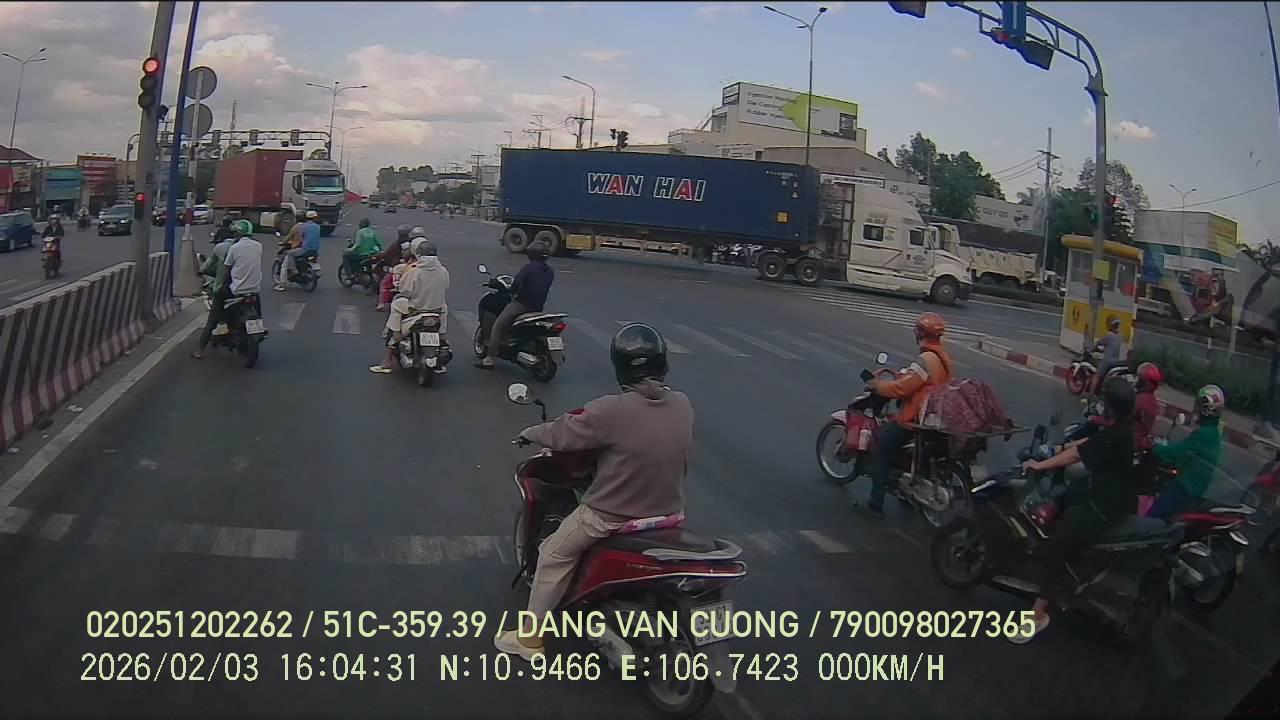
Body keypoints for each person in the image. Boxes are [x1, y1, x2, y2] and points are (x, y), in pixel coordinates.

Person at [493, 324, 693, 661]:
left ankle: (528, 639)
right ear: (663, 363)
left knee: (553, 554)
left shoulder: (611, 410)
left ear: (620, 367)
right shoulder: (683, 404)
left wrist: (531, 432)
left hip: (612, 516)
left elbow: (564, 433)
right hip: (668, 513)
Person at [1011, 376, 1138, 644]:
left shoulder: (1113, 436)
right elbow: (1085, 445)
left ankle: (1037, 614)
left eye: (1104, 402)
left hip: (1104, 508)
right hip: (1114, 501)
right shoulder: (1120, 432)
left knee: (1058, 545)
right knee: (1070, 495)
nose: (1100, 405)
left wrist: (1038, 465)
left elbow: (1075, 456)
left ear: (1110, 407)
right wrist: (1060, 446)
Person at [861, 312, 954, 518]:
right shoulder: (942, 357)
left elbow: (902, 388)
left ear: (919, 333)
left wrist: (878, 385)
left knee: (879, 447)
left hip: (914, 419)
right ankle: (906, 493)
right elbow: (919, 380)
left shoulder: (925, 359)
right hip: (935, 416)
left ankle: (875, 504)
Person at [370, 236, 451, 375]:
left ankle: (394, 339)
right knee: (444, 308)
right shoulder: (443, 270)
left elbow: (405, 290)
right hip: (436, 309)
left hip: (416, 308)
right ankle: (442, 337)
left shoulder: (414, 271)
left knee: (396, 304)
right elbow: (446, 286)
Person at [1147, 384, 1225, 520]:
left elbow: (1179, 451)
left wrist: (1156, 448)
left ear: (1206, 409)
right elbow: (1189, 452)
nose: (1195, 408)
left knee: (1153, 516)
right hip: (1195, 486)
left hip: (1186, 486)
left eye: (1198, 405)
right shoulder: (1213, 432)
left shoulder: (1204, 434)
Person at [476, 241, 555, 370]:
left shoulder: (529, 268)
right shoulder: (550, 271)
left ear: (531, 254)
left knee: (498, 326)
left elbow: (517, 283)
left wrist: (512, 293)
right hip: (538, 307)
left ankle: (489, 359)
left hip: (522, 305)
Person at [192, 220, 263, 359]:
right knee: (257, 309)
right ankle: (259, 324)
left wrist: (221, 283)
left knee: (213, 316)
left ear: (236, 234)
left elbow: (225, 269)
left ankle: (199, 350)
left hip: (236, 289)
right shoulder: (258, 246)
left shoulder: (232, 248)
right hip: (254, 289)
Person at [275, 210, 321, 290]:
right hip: (315, 250)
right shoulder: (318, 227)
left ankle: (293, 271)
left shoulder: (301, 227)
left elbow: (299, 239)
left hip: (305, 249)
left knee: (289, 254)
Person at [373, 225, 412, 311]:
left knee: (384, 284)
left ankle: (381, 303)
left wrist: (380, 257)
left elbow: (387, 254)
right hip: (409, 267)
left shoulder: (397, 244)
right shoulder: (412, 243)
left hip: (397, 267)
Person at [1089, 317, 1124, 395]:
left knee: (1096, 376)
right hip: (1117, 361)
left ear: (1110, 326)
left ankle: (1090, 396)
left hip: (1108, 361)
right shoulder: (1120, 336)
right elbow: (1111, 348)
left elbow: (1098, 343)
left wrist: (1090, 350)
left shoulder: (1109, 336)